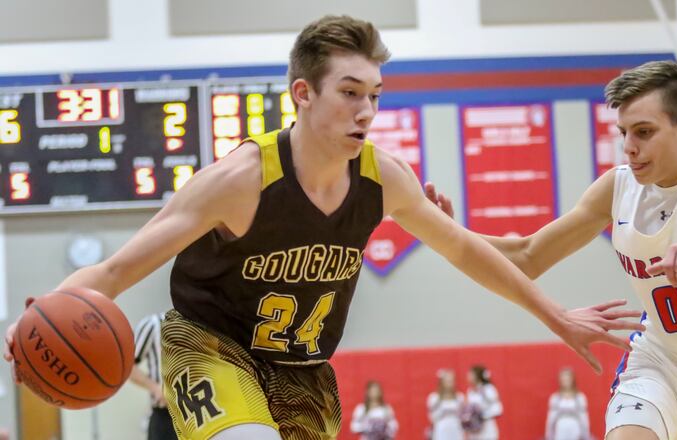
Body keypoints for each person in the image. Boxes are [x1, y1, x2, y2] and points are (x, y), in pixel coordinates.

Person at [4, 15, 644, 440]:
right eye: (349, 92)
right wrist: (43, 313)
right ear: (302, 94)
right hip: (210, 346)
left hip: (302, 367)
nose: (367, 110)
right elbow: (117, 271)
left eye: (376, 93)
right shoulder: (240, 180)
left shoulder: (385, 178)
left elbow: (467, 252)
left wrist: (554, 316)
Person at [426, 60, 677, 440]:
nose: (629, 147)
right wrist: (444, 233)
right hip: (657, 360)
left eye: (644, 132)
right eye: (623, 132)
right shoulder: (618, 187)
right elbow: (527, 256)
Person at [129, 312, 178, 440]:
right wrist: (156, 388)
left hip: (198, 414)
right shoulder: (153, 324)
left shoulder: (202, 325)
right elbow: (127, 366)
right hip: (165, 416)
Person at [545, 368, 590, 440]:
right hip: (560, 429)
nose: (566, 381)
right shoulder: (555, 398)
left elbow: (584, 418)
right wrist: (548, 435)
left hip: (575, 429)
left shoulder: (580, 397)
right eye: (563, 379)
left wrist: (586, 435)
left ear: (572, 380)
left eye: (568, 379)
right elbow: (551, 419)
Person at [462, 365, 502, 440]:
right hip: (474, 431)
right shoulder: (470, 391)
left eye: (471, 374)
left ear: (477, 376)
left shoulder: (488, 389)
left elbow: (498, 408)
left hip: (487, 430)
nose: (468, 376)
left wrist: (482, 416)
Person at [427, 370, 464, 440]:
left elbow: (463, 416)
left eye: (452, 381)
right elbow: (432, 416)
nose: (450, 383)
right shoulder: (434, 398)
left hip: (456, 429)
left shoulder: (459, 397)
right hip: (441, 430)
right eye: (447, 381)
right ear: (442, 382)